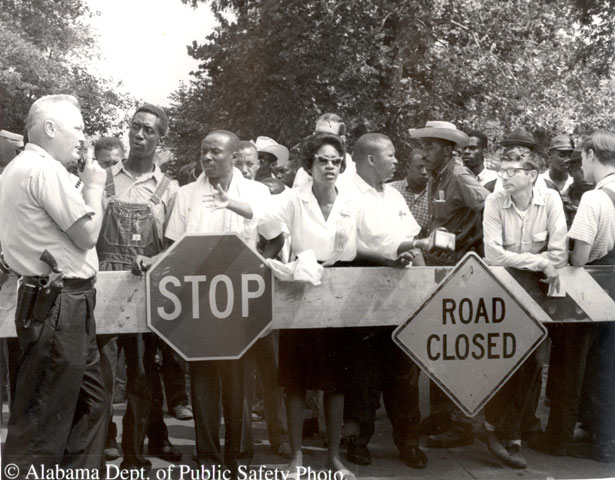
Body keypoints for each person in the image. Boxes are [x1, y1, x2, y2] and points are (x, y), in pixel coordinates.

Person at [164, 129, 284, 479]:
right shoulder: (186, 195)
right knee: (203, 379)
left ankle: (240, 458)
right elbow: (173, 246)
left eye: (215, 152)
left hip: (240, 299)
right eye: (203, 151)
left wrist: (258, 268)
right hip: (199, 299)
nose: (207, 157)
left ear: (234, 156)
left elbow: (274, 236)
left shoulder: (257, 193)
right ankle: (209, 459)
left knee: (238, 379)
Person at [0, 94, 107, 472]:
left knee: (90, 403)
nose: (82, 138)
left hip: (60, 302)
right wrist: (95, 185)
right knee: (43, 421)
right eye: (76, 128)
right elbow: (87, 233)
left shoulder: (18, 169)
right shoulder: (42, 170)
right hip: (59, 304)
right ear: (50, 128)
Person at [96, 104, 184, 472]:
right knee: (99, 375)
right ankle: (102, 445)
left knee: (142, 376)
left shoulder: (170, 188)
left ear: (160, 138)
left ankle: (135, 454)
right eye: (135, 127)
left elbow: (173, 245)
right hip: (103, 284)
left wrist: (155, 262)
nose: (139, 135)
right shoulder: (103, 180)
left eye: (149, 130)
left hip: (146, 288)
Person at [342, 133, 427, 469]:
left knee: (405, 371)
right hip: (363, 285)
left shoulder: (394, 195)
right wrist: (388, 260)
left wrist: (422, 286)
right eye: (390, 155)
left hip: (402, 288)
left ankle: (409, 441)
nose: (396, 160)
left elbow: (413, 240)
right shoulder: (346, 195)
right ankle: (357, 441)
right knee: (364, 371)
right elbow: (349, 245)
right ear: (371, 159)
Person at [531, 131, 615, 463]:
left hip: (589, 291)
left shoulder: (595, 199)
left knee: (569, 366)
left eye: (582, 157)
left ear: (592, 154)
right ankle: (604, 441)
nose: (580, 164)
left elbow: (579, 257)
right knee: (606, 368)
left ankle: (558, 438)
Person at [481, 147, 567, 469]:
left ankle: (504, 431)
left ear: (531, 176)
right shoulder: (494, 200)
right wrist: (540, 261)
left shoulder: (552, 200)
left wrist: (545, 262)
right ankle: (501, 431)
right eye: (501, 170)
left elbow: (559, 253)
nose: (503, 177)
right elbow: (493, 255)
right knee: (500, 359)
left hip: (536, 295)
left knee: (533, 361)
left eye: (511, 171)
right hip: (499, 292)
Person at [409, 120, 489, 448]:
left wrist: (469, 240)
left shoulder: (459, 175)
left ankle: (463, 423)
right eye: (423, 145)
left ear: (447, 149)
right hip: (438, 267)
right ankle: (443, 415)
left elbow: (489, 206)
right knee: (441, 344)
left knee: (459, 349)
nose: (423, 152)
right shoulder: (437, 176)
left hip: (461, 270)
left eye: (430, 146)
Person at [293, 113, 356, 188]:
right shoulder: (304, 171)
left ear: (342, 140)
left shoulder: (355, 172)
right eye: (318, 134)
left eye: (328, 135)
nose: (321, 139)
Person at [390, 147, 430, 236]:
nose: (424, 172)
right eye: (419, 167)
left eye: (428, 168)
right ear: (408, 168)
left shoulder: (435, 197)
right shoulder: (390, 190)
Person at [561, 148, 594, 227]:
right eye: (581, 170)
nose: (586, 175)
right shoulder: (559, 202)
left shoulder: (608, 199)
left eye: (591, 169)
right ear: (570, 172)